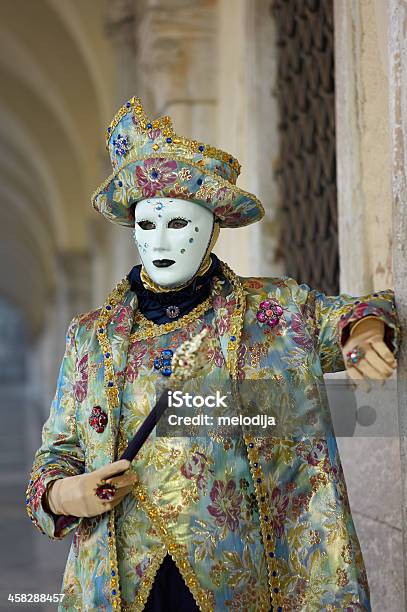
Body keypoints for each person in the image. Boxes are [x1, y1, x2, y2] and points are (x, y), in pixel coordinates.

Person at [26, 96, 399, 611]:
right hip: (117, 583)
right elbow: (54, 457)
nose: (159, 240)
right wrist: (66, 496)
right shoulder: (90, 337)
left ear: (211, 227)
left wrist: (363, 333)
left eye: (177, 223)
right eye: (146, 224)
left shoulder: (271, 312)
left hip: (239, 583)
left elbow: (359, 311)